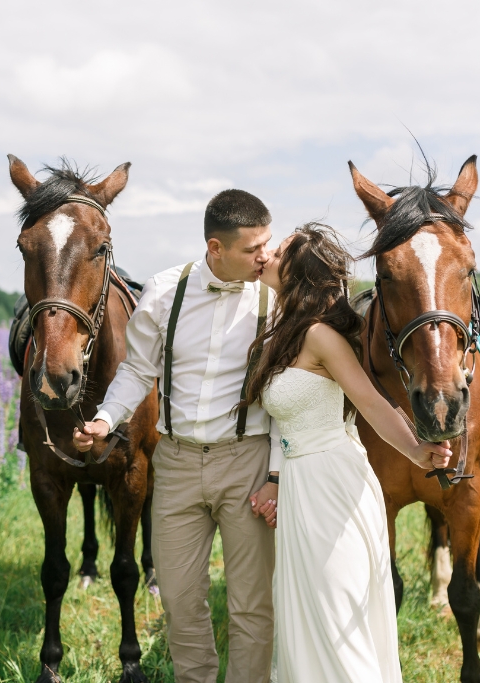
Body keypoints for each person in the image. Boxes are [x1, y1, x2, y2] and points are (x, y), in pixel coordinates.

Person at [73, 189, 281, 683]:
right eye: (253, 249)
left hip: (246, 462)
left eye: (267, 244)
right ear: (216, 248)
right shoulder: (166, 291)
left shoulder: (276, 298)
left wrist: (274, 474)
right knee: (180, 598)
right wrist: (105, 420)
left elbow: (284, 397)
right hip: (178, 464)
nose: (265, 257)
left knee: (252, 604)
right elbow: (136, 371)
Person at [246, 224, 452, 683]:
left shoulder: (321, 336)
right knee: (307, 614)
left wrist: (418, 451)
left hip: (333, 485)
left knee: (337, 614)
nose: (267, 256)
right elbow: (283, 421)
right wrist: (278, 480)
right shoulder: (285, 330)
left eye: (277, 251)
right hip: (301, 485)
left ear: (297, 272)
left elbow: (374, 403)